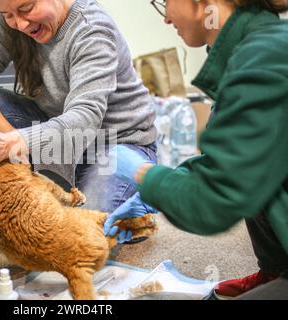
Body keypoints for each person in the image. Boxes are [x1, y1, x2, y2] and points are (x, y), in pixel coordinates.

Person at [104, 0, 288, 299]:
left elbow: (216, 203)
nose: (165, 18)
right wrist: (159, 192)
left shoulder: (263, 62)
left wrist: (143, 174)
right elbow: (234, 163)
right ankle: (276, 271)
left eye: (166, 2)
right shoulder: (258, 49)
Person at [0, 0, 158, 236]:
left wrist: (14, 143)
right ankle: (58, 190)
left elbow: (84, 117)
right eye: (7, 15)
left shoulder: (91, 29)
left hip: (114, 145)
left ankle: (141, 190)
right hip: (61, 142)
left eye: (26, 9)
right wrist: (11, 141)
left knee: (89, 231)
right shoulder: (12, 22)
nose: (19, 24)